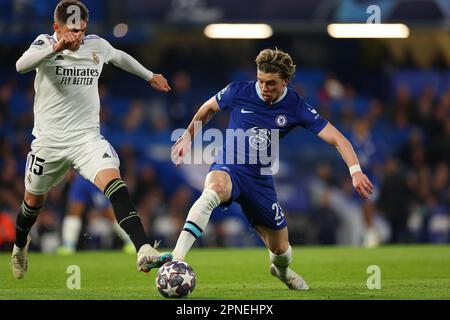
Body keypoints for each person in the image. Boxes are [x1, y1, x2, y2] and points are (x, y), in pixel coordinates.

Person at [171, 48, 373, 290]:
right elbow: (207, 108)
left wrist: (355, 171)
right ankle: (177, 258)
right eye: (260, 81)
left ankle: (282, 271)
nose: (264, 87)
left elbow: (338, 138)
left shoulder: (295, 106)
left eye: (271, 83)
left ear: (285, 81)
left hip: (260, 180)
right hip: (230, 166)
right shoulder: (239, 91)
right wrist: (187, 136)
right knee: (214, 189)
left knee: (280, 249)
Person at [12, 0, 172, 279]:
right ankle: (20, 244)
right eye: (72, 31)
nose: (78, 36)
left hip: (86, 139)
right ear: (57, 28)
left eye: (82, 30)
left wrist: (150, 76)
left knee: (115, 184)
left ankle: (143, 248)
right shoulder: (44, 44)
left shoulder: (95, 45)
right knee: (32, 203)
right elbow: (21, 66)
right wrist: (58, 47)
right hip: (49, 143)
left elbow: (119, 56)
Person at [58, 173, 135, 255]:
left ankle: (133, 242)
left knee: (110, 212)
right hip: (80, 178)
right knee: (74, 210)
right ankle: (69, 246)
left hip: (96, 175)